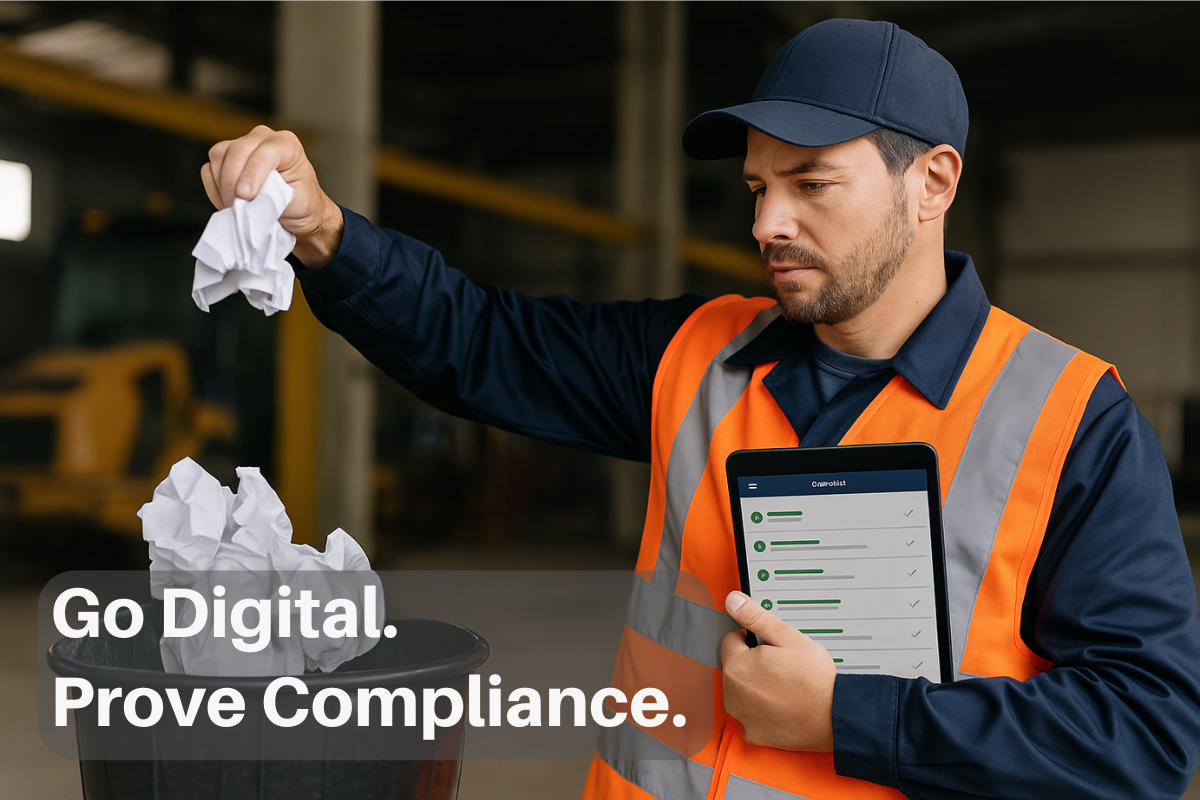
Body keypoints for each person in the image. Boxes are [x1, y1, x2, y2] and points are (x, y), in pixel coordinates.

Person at [202, 18, 1200, 800]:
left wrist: (851, 716)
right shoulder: (699, 355)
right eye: (758, 186)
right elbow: (479, 340)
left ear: (931, 181)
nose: (768, 222)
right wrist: (323, 231)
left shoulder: (1070, 421)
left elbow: (1145, 735)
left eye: (812, 183)